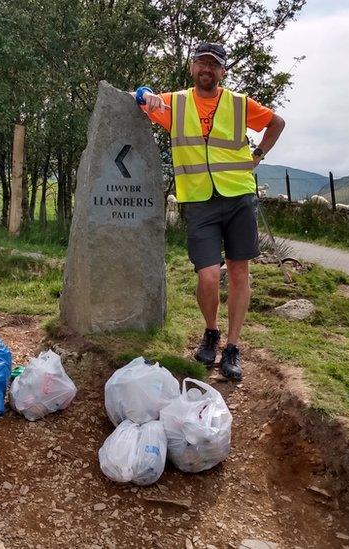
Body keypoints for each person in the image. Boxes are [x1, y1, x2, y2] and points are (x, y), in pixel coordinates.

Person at [133, 42, 285, 381]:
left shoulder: (238, 103)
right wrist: (146, 92)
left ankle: (232, 346)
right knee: (208, 275)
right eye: (201, 62)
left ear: (223, 71)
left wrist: (258, 154)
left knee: (239, 271)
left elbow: (277, 122)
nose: (207, 68)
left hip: (238, 196)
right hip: (199, 199)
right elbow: (138, 97)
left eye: (214, 64)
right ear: (192, 68)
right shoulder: (176, 102)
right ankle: (211, 332)